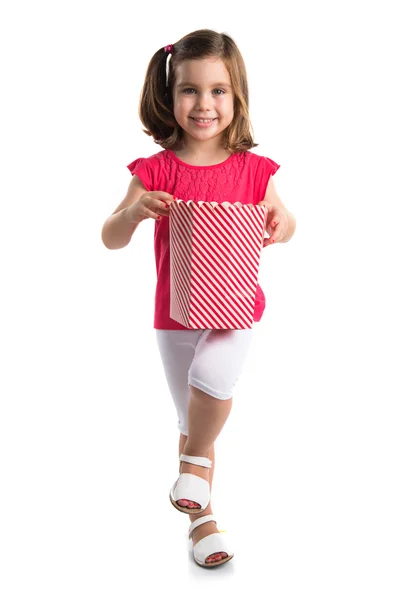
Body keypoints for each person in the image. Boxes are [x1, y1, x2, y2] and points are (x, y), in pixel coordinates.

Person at [101, 28, 296, 568]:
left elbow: (288, 221)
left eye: (218, 91)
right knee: (192, 415)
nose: (204, 104)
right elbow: (109, 237)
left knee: (210, 383)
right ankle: (202, 520)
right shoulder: (156, 169)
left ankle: (193, 464)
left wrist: (281, 223)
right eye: (190, 90)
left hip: (236, 308)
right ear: (170, 95)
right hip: (173, 312)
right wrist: (134, 214)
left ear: (237, 98)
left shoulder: (255, 170)